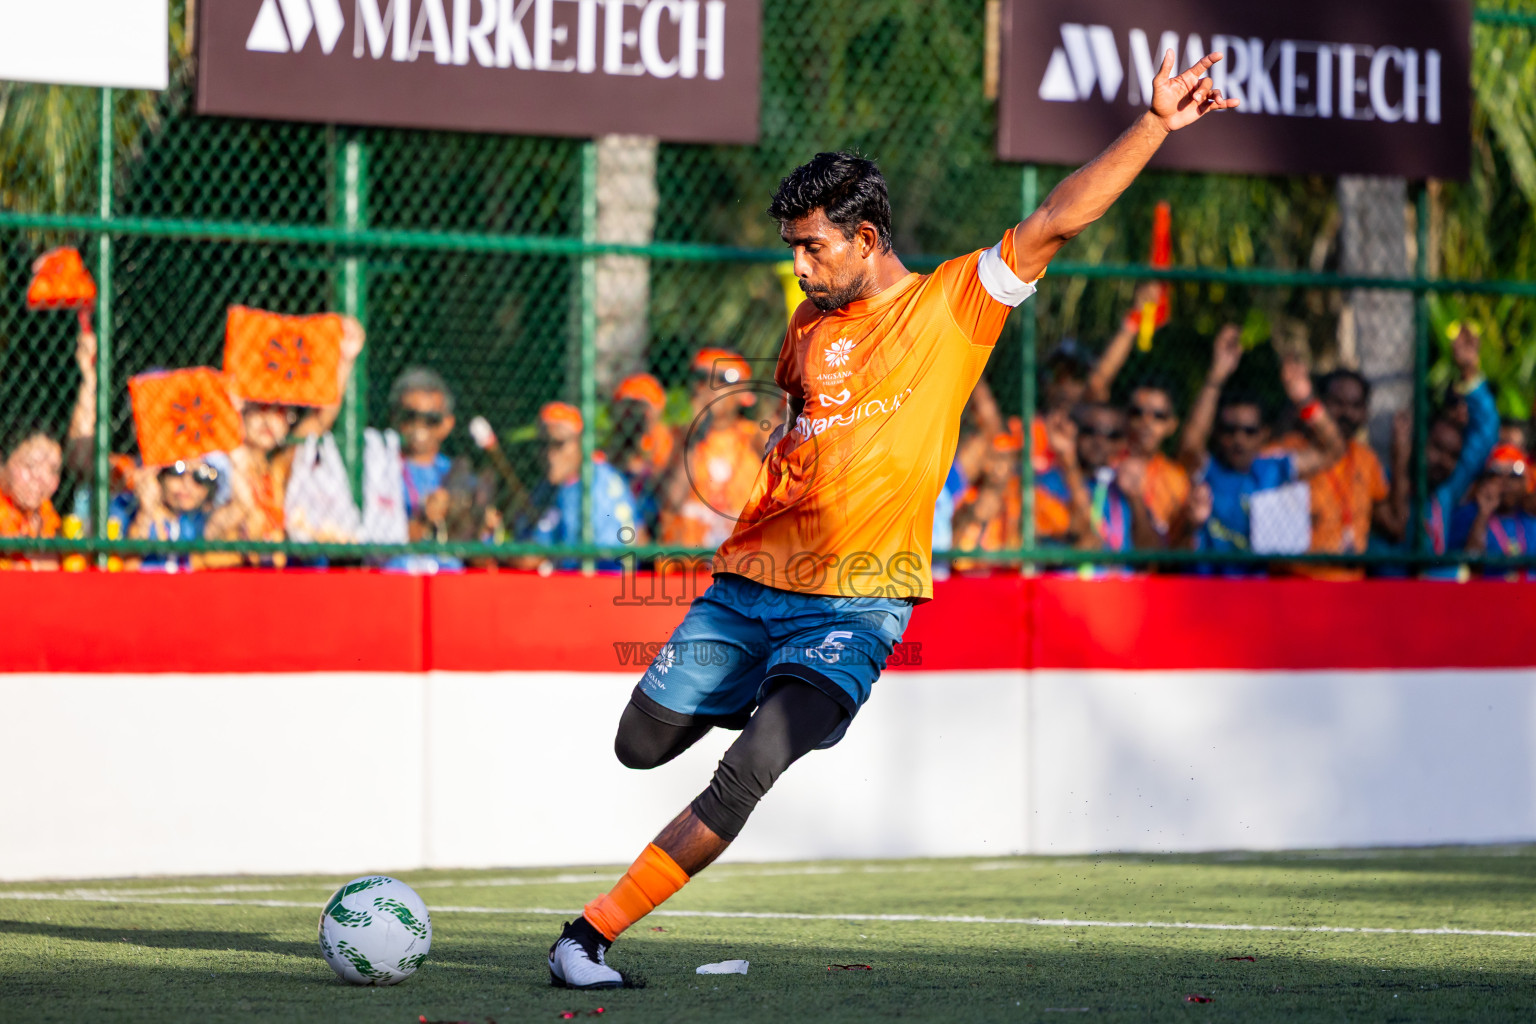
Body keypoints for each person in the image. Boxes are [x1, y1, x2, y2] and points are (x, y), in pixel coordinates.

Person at [545, 50, 1239, 988]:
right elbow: (805, 416)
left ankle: (585, 939)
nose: (797, 267)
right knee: (640, 744)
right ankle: (776, 692)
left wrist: (1154, 123)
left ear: (866, 238)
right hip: (748, 586)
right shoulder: (808, 326)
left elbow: (1057, 216)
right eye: (792, 248)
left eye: (811, 248)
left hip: (858, 606)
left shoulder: (954, 304)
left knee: (749, 770)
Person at [1178, 325, 1345, 570]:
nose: (1239, 439)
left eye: (1249, 431)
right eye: (1230, 430)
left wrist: (1305, 400)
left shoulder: (1274, 469)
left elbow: (1333, 450)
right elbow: (1190, 444)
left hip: (1259, 587)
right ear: (1217, 433)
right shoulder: (1206, 469)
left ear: (1264, 434)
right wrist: (1216, 377)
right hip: (1209, 584)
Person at [204, 316, 364, 566]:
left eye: (279, 412)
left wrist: (345, 360)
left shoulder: (276, 470)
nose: (268, 420)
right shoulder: (218, 460)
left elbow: (320, 421)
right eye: (260, 408)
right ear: (242, 410)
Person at [1083, 284, 1190, 544]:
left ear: (1172, 425)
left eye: (1158, 415)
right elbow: (1095, 387)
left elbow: (1162, 553)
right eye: (1137, 412)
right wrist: (1134, 319)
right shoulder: (1105, 454)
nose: (1146, 422)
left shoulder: (1175, 480)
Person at [1278, 369, 1403, 580]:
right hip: (1296, 583)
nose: (1347, 413)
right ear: (1321, 405)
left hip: (1350, 587)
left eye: (1355, 406)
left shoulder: (1367, 460)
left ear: (1365, 412)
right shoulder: (1289, 452)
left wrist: (1399, 457)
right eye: (1337, 403)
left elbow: (1394, 528)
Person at [385, 367, 491, 573]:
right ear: (395, 417)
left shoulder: (461, 477)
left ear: (447, 424)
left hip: (448, 581)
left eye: (431, 419)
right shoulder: (380, 470)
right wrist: (423, 520)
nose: (419, 425)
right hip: (396, 578)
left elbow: (482, 560)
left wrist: (475, 527)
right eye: (410, 416)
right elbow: (374, 543)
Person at [657, 349, 763, 549]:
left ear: (743, 394)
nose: (710, 387)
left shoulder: (755, 438)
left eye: (723, 379)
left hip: (743, 562)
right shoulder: (674, 437)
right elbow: (672, 501)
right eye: (701, 377)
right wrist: (692, 437)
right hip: (686, 562)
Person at [517, 402, 639, 571]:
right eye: (542, 444)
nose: (549, 454)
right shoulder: (551, 486)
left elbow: (606, 556)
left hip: (606, 578)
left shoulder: (600, 483)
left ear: (581, 443)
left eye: (559, 443)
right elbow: (533, 545)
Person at [1037, 403, 1160, 556]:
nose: (1099, 442)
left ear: (1121, 443)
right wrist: (1068, 460)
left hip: (1121, 572)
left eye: (1111, 435)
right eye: (1090, 431)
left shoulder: (1123, 486)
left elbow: (1152, 553)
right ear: (1074, 433)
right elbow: (1087, 538)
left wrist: (1136, 499)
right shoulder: (1047, 483)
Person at [1422, 326, 1498, 573]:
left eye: (1453, 455)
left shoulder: (1445, 490)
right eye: (1436, 448)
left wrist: (1469, 371)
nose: (1443, 461)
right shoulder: (1390, 483)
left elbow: (1485, 434)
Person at [607, 373, 672, 542]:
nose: (633, 414)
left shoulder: (664, 439)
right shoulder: (616, 441)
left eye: (640, 407)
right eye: (627, 406)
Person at [1455, 444, 1536, 579]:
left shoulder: (1531, 523)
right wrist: (1483, 513)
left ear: (1525, 483)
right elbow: (1472, 566)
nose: (1506, 482)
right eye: (1497, 473)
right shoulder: (1468, 516)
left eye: (1514, 476)